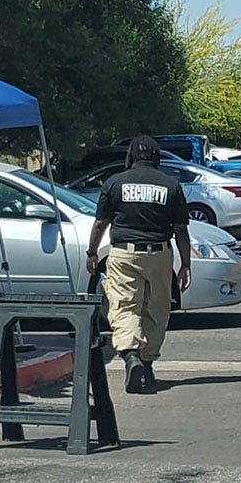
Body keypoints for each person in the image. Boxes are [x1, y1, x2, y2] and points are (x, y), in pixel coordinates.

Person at [85, 136, 191, 394]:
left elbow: (101, 222)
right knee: (157, 310)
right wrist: (185, 264)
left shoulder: (114, 183)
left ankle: (131, 356)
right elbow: (180, 230)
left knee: (124, 307)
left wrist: (92, 253)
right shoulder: (171, 186)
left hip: (124, 254)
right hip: (159, 254)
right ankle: (147, 362)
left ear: (131, 156)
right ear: (157, 157)